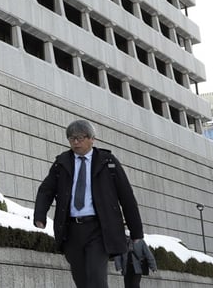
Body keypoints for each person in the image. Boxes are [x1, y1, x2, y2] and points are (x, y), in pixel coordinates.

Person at [34, 120, 145, 288]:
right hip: (71, 230)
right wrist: (40, 216)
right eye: (71, 139)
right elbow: (46, 190)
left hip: (99, 230)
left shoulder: (108, 162)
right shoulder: (62, 162)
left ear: (92, 139)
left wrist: (136, 232)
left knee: (96, 279)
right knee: (81, 280)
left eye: (79, 138)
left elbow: (127, 197)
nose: (75, 142)